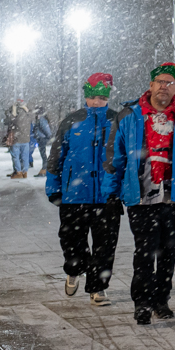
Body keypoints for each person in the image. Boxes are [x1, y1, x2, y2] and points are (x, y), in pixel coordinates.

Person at [108, 63, 175, 325]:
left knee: (169, 253)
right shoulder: (129, 116)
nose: (164, 87)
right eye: (160, 82)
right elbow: (114, 158)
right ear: (151, 85)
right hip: (141, 197)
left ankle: (161, 301)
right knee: (145, 252)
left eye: (170, 83)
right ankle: (142, 303)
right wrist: (111, 193)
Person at [47, 73, 123, 306]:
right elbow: (56, 155)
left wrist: (124, 190)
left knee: (105, 246)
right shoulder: (72, 121)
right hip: (74, 195)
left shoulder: (117, 120)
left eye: (102, 97)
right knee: (71, 241)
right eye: (93, 97)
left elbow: (126, 157)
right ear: (86, 97)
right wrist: (53, 187)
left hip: (107, 196)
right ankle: (74, 269)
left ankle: (98, 288)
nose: (97, 102)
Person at [3, 97, 33, 178]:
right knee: (25, 156)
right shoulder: (28, 114)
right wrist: (26, 109)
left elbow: (9, 121)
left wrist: (13, 111)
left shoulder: (14, 113)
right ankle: (25, 172)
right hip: (26, 139)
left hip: (16, 139)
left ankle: (18, 172)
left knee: (15, 156)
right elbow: (32, 117)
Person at [31, 107, 54, 176]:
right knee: (43, 154)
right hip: (41, 137)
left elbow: (45, 128)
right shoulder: (41, 119)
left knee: (43, 154)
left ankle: (45, 169)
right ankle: (45, 168)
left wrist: (48, 136)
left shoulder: (41, 119)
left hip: (42, 138)